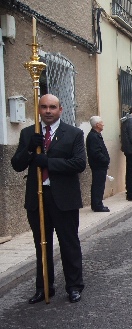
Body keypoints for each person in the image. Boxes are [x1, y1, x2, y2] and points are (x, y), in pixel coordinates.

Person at [11, 94, 86, 304]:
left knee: (68, 243)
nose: (48, 111)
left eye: (52, 107)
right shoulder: (29, 134)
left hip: (64, 198)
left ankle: (74, 286)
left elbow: (79, 163)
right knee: (41, 244)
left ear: (60, 110)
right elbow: (16, 165)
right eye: (43, 107)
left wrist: (49, 162)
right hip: (37, 198)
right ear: (38, 109)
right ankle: (44, 287)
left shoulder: (73, 134)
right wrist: (28, 150)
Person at [86, 116, 110, 212]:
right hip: (98, 165)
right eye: (101, 122)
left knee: (99, 185)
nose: (103, 124)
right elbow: (96, 152)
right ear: (97, 125)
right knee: (98, 185)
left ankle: (98, 203)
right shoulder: (93, 136)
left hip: (100, 165)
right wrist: (105, 160)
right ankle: (97, 205)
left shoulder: (96, 135)